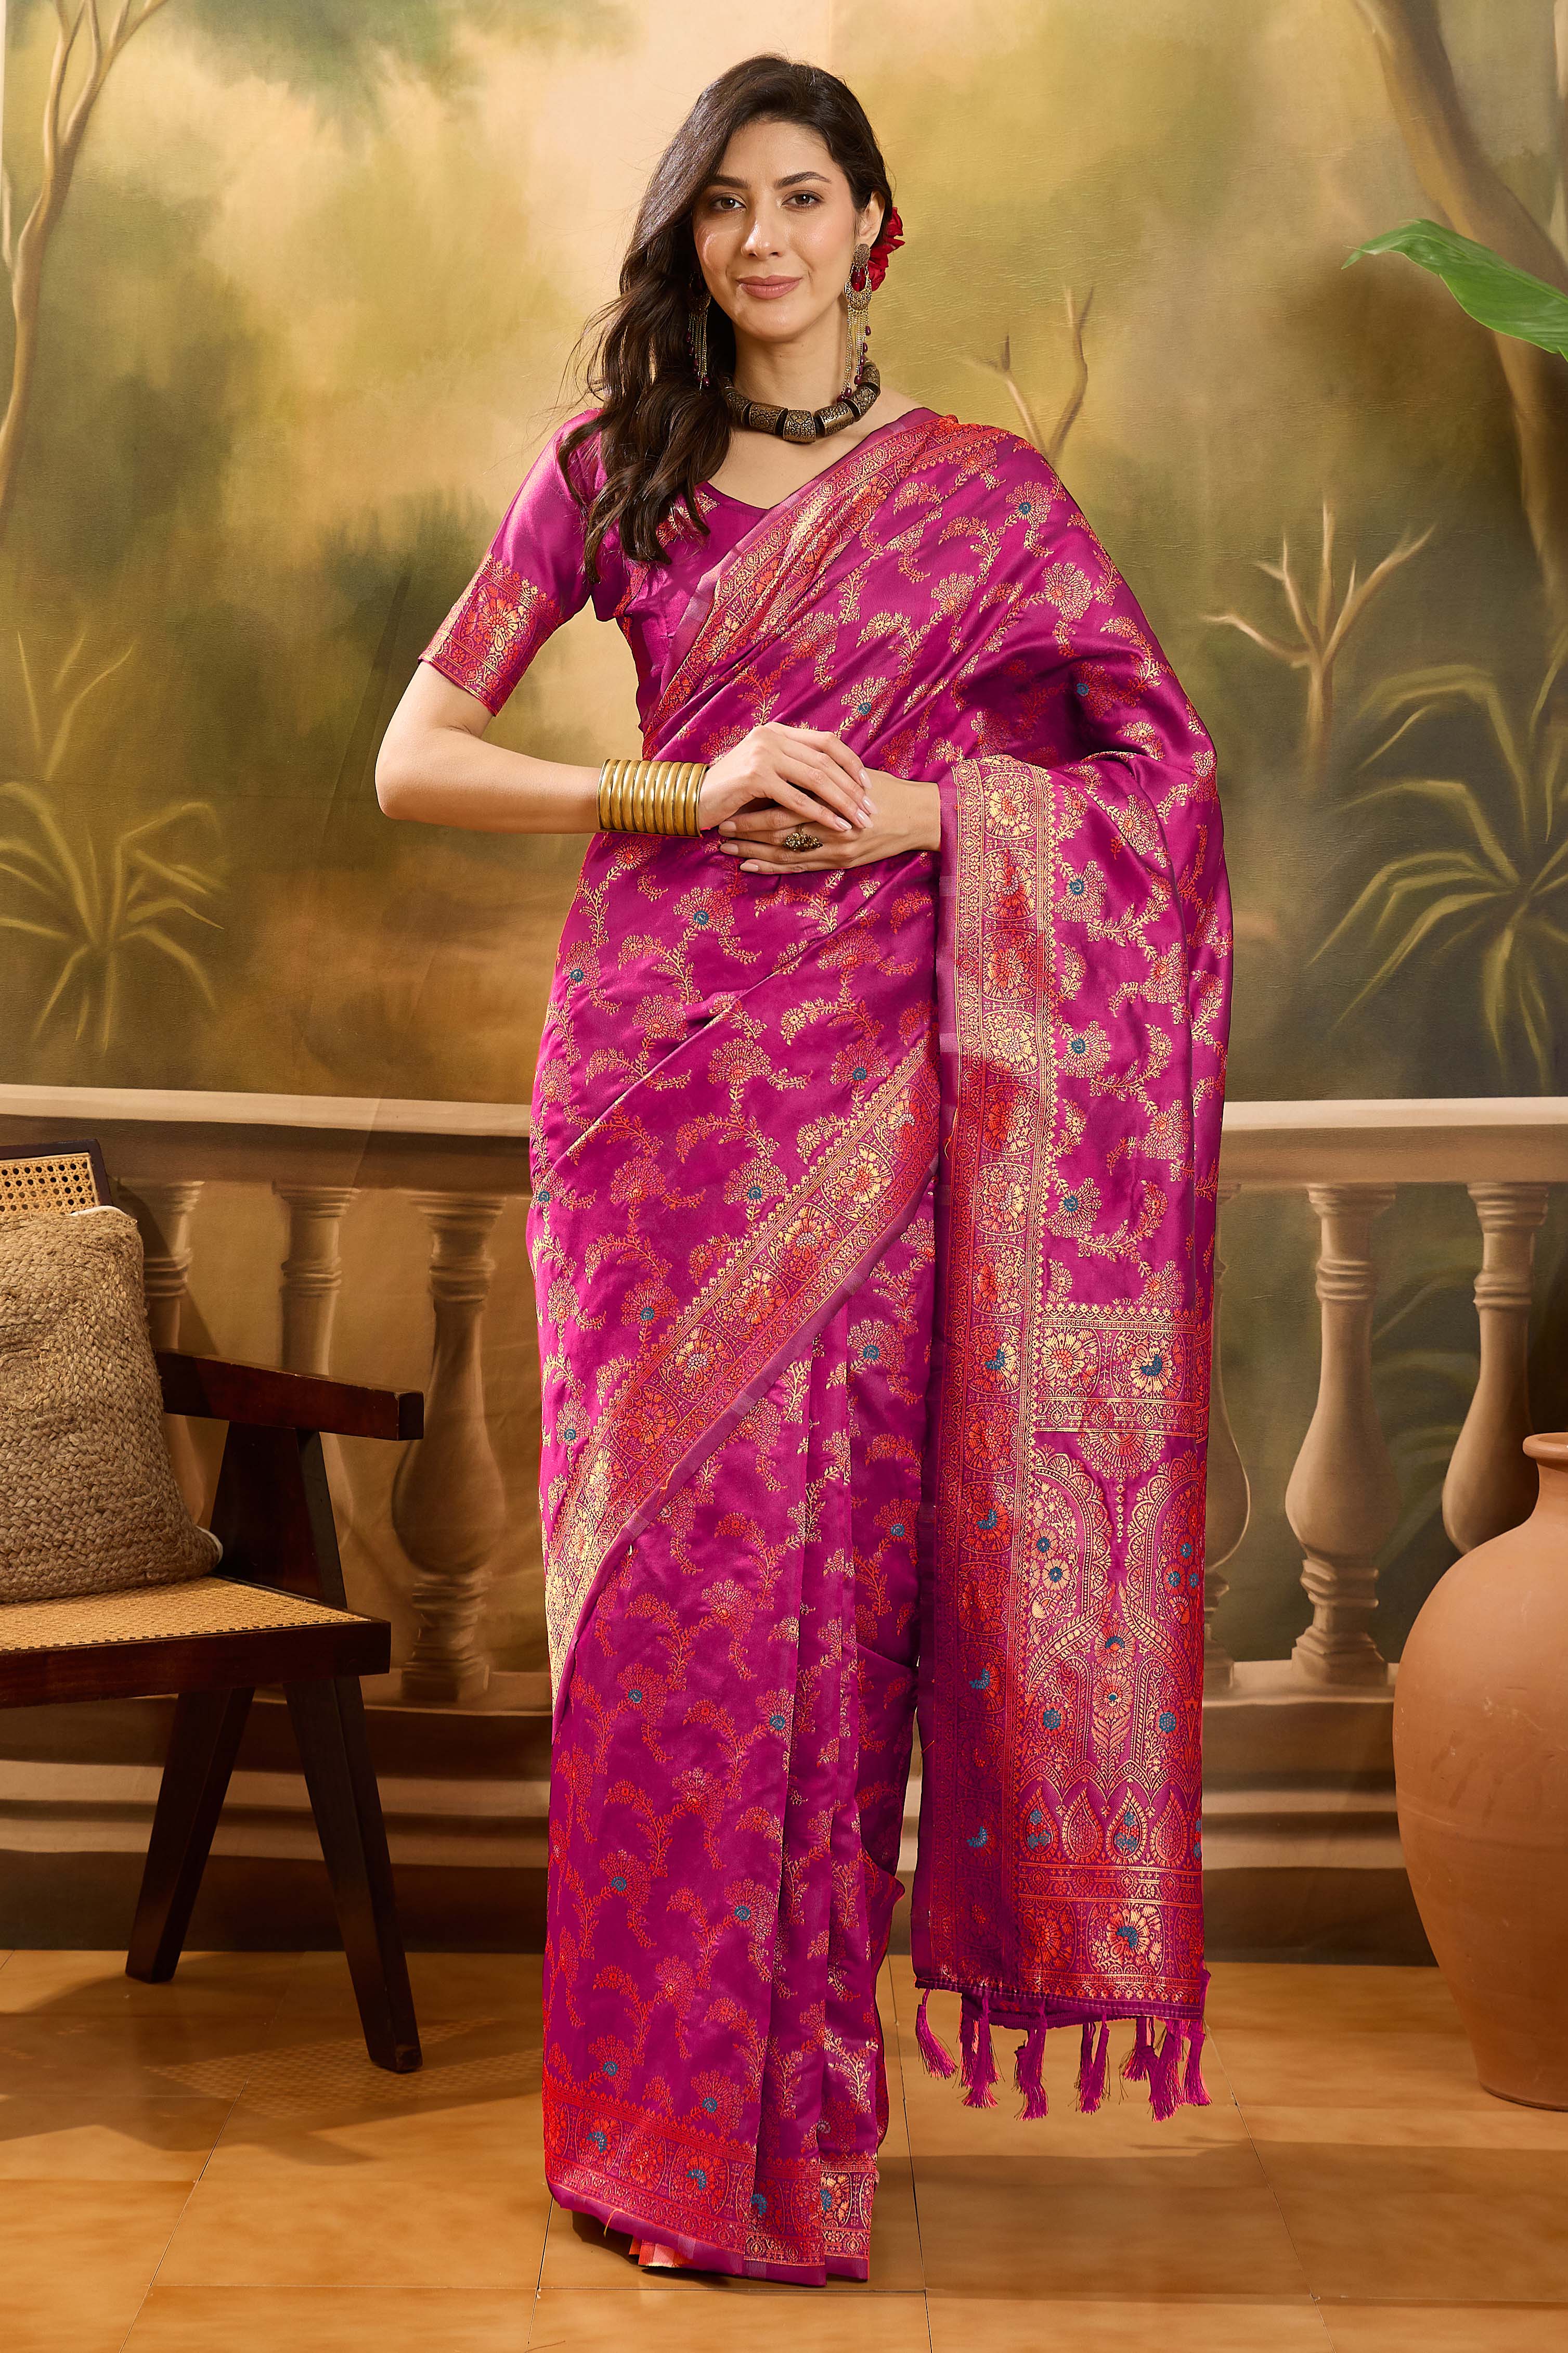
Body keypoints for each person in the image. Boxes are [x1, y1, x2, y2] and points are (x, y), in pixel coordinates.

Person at [377, 52, 1230, 2288]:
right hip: (647, 1112)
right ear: (693, 236)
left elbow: (1161, 787)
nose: (761, 240)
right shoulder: (615, 471)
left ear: (875, 227)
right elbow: (415, 756)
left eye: (800, 198)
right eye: (723, 205)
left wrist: (932, 815)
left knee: (826, 1617)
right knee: (665, 1634)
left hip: (879, 1115)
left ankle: (790, 2153)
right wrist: (675, 789)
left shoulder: (992, 503)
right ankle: (652, 2142)